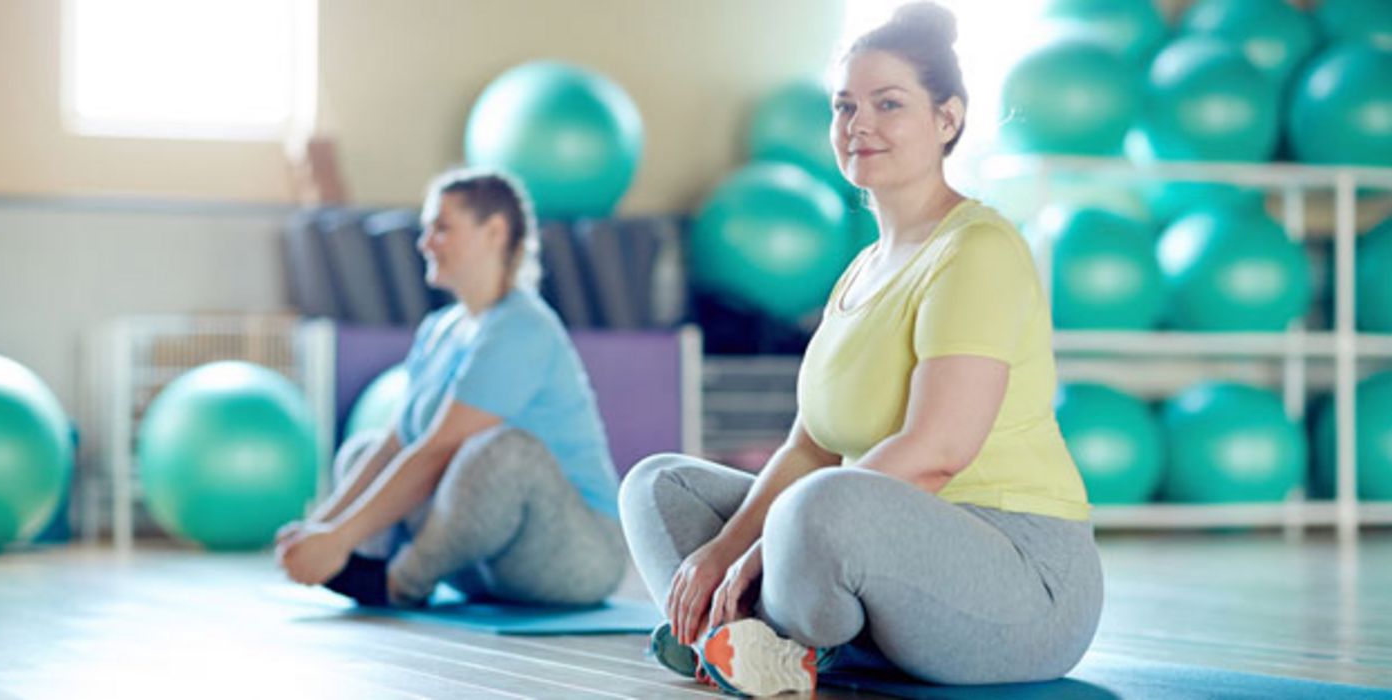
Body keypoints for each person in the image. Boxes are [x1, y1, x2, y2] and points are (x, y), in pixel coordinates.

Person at [618, 3, 1102, 696]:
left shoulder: (978, 249)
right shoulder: (860, 269)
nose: (858, 124)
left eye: (888, 103)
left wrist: (765, 549)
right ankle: (750, 638)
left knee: (818, 508)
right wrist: (719, 553)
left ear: (947, 119)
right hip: (877, 556)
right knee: (658, 484)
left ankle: (757, 642)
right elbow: (808, 447)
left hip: (1022, 583)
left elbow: (937, 451)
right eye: (844, 106)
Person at [275, 168, 625, 609]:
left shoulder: (521, 326)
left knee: (501, 451)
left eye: (441, 228)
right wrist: (320, 529)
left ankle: (402, 582)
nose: (425, 243)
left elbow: (439, 449)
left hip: (575, 554)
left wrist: (340, 537)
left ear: (495, 232)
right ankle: (367, 563)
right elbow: (397, 441)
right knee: (364, 450)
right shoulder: (440, 329)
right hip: (483, 556)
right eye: (426, 229)